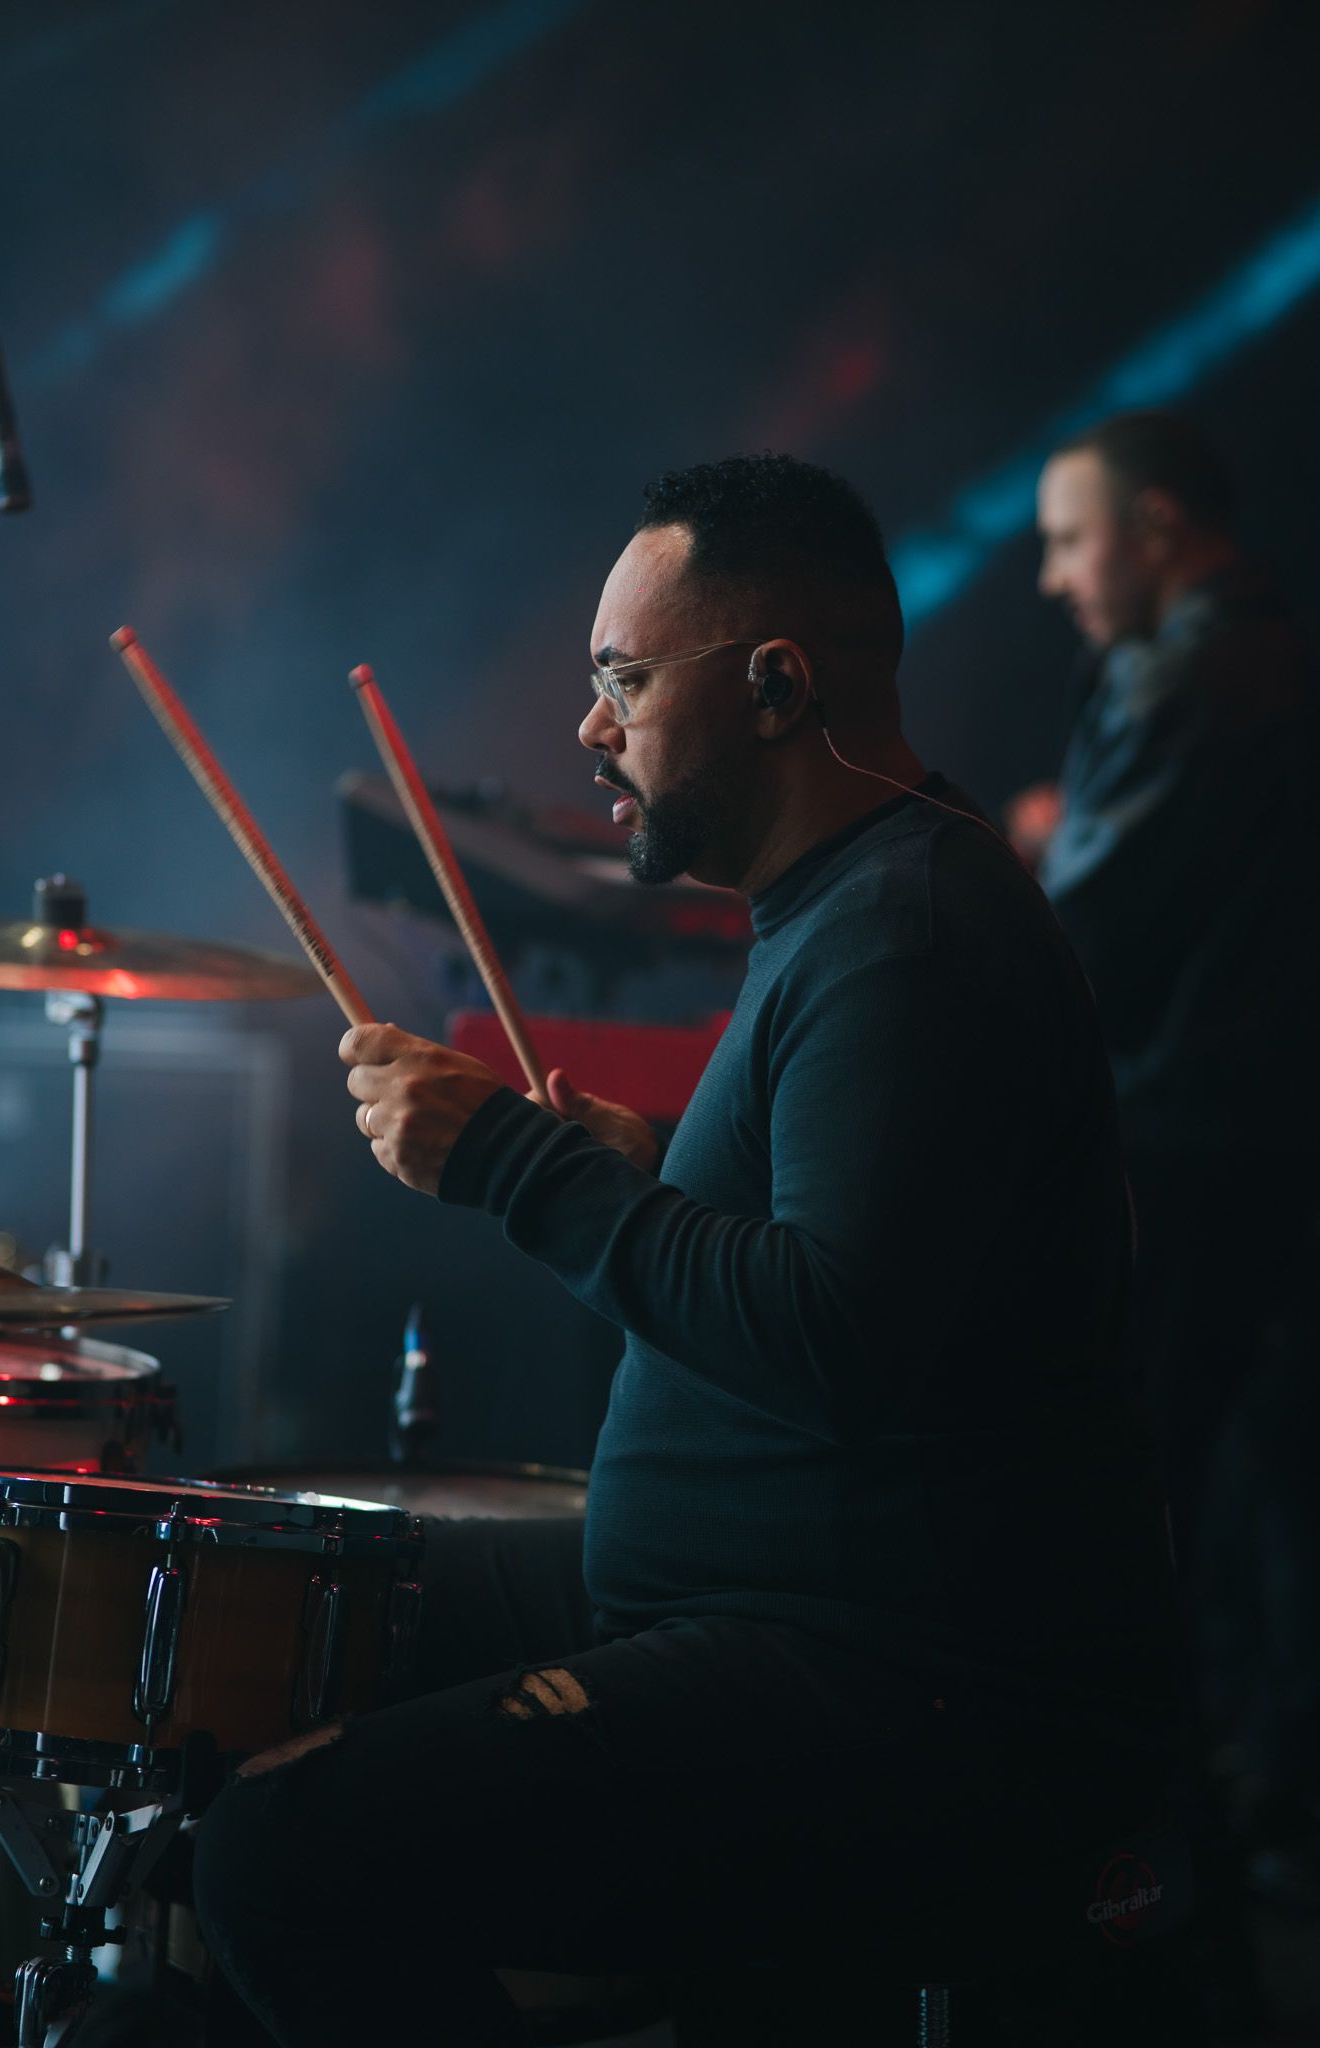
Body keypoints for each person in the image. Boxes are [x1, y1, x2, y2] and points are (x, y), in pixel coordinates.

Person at [194, 454, 1183, 2045]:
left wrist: (511, 1161)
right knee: (260, 1620)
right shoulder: (849, 902)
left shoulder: (907, 933)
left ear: (778, 684)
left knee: (283, 1856)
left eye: (624, 681)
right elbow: (857, 1237)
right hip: (748, 1599)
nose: (591, 729)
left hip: (897, 1673)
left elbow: (839, 1336)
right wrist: (651, 1169)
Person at [1020, 411, 1318, 1855]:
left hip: (1186, 1152)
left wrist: (1036, 856)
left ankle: (1140, 1862)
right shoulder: (1268, 660)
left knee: (1142, 1511)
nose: (1049, 579)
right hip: (1262, 1149)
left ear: (1155, 529)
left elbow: (1084, 932)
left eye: (1068, 540)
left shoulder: (1194, 673)